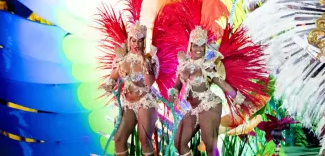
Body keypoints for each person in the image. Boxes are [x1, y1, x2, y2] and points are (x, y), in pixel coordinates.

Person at [170, 26, 244, 156]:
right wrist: (173, 93)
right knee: (179, 142)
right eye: (195, 45)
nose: (198, 49)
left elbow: (223, 85)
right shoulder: (183, 65)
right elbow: (177, 86)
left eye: (202, 46)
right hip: (194, 110)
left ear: (205, 47)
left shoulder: (207, 65)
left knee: (210, 146)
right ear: (190, 46)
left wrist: (242, 101)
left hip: (209, 105)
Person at [103, 21, 159, 156]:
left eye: (140, 41)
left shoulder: (149, 59)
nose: (136, 44)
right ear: (129, 40)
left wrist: (143, 60)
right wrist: (109, 84)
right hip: (129, 104)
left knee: (144, 140)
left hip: (145, 102)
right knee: (119, 139)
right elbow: (114, 76)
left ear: (144, 42)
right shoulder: (122, 59)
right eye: (133, 40)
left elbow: (149, 82)